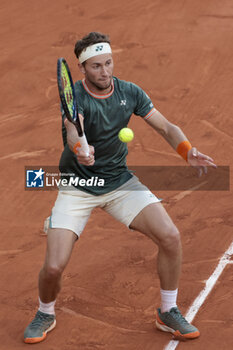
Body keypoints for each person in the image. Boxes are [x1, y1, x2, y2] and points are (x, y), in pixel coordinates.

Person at [24, 32, 216, 343]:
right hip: (77, 187)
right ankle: (45, 312)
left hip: (119, 181)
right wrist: (80, 151)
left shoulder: (130, 92)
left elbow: (165, 126)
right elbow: (74, 131)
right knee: (54, 267)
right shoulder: (76, 96)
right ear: (82, 67)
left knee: (170, 236)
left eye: (109, 63)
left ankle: (167, 312)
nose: (105, 71)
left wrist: (187, 150)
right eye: (96, 66)